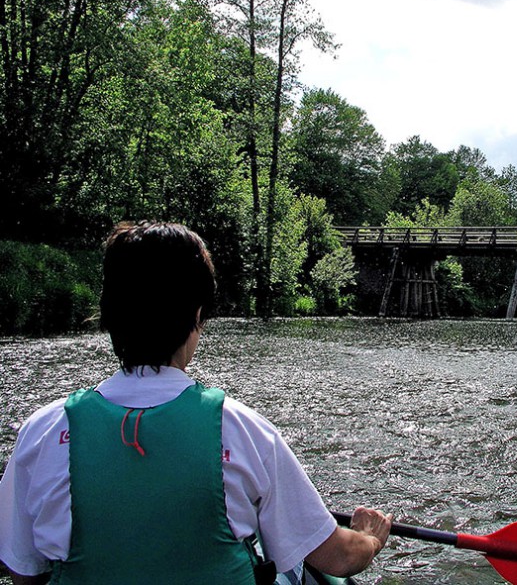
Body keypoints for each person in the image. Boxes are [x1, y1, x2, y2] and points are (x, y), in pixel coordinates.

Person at [0, 221, 392, 585]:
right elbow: (336, 559)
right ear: (197, 315)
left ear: (109, 314)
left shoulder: (41, 431)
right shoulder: (244, 431)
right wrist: (369, 538)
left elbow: (23, 572)